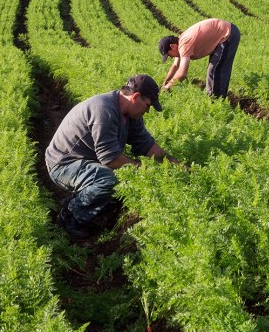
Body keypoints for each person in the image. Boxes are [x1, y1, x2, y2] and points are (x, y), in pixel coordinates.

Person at [45, 74, 176, 238]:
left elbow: (147, 145)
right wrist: (143, 168)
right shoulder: (104, 110)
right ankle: (70, 217)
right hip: (63, 164)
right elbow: (110, 159)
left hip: (86, 161)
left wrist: (173, 164)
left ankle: (84, 204)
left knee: (118, 180)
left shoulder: (131, 115)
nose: (147, 111)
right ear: (135, 97)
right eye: (148, 105)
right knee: (109, 180)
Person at [158, 18, 241, 98]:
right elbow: (176, 65)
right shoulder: (180, 41)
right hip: (225, 32)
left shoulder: (184, 44)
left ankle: (215, 101)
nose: (171, 57)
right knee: (216, 68)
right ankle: (216, 99)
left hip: (228, 34)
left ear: (172, 46)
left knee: (215, 70)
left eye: (169, 55)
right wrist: (165, 82)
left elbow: (182, 74)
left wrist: (168, 86)